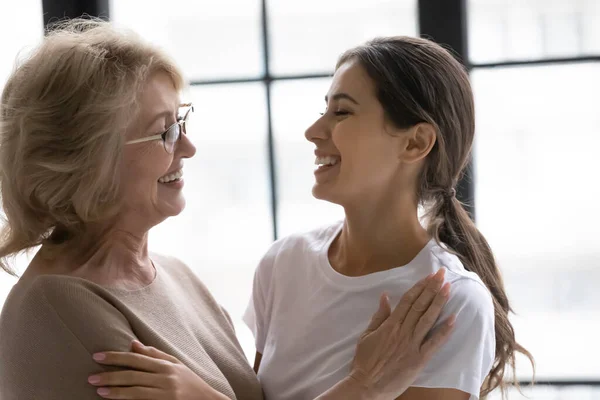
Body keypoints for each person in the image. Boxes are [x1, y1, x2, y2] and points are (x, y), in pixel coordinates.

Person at [0, 19, 454, 400]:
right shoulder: (57, 306)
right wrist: (366, 386)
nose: (189, 147)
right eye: (164, 133)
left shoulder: (176, 276)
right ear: (88, 158)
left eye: (181, 122)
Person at [85, 37, 534, 400]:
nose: (314, 131)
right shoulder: (285, 263)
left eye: (341, 112)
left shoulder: (447, 303)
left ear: (415, 143)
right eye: (324, 109)